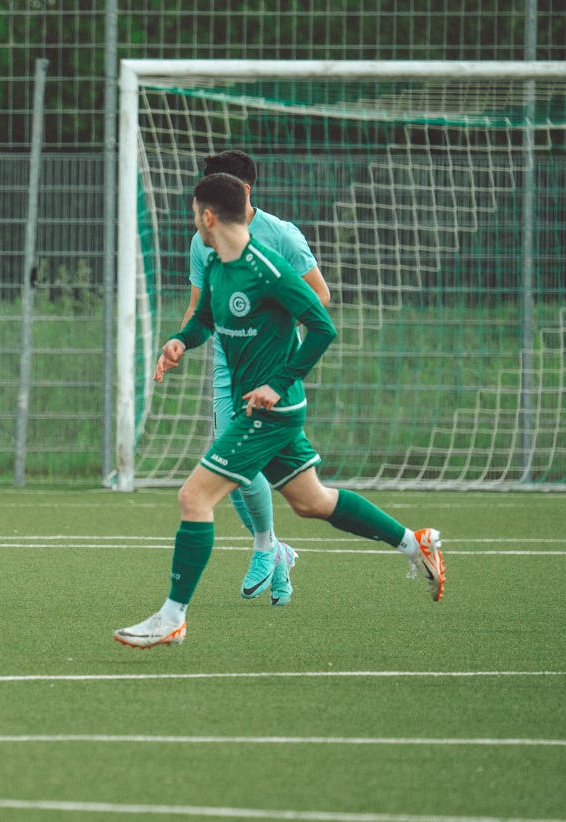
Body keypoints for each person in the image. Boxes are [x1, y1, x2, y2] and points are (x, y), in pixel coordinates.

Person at [113, 173, 443, 650]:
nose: (194, 223)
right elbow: (205, 317)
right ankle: (416, 544)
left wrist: (276, 383)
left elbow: (322, 326)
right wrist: (179, 342)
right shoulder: (218, 265)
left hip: (271, 411)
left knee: (194, 499)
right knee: (312, 502)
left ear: (208, 216)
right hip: (261, 407)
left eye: (194, 214)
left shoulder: (267, 269)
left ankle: (172, 618)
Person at [185, 150, 331, 607]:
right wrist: (177, 342)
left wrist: (282, 361)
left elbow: (319, 299)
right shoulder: (203, 239)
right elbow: (199, 308)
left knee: (238, 467)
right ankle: (273, 549)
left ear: (243, 191)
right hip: (230, 364)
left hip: (272, 370)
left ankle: (268, 547)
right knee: (230, 466)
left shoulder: (281, 236)